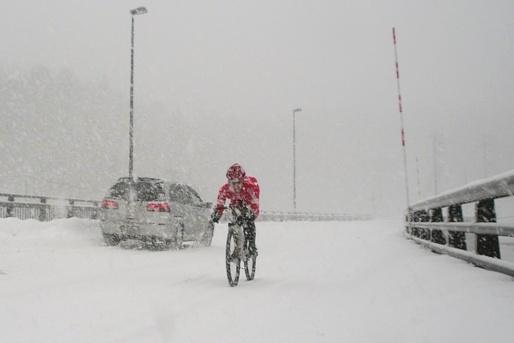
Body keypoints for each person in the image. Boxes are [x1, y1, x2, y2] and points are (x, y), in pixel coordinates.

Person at [211, 163, 260, 263]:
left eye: (238, 183)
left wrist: (250, 214)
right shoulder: (225, 189)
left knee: (249, 221)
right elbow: (220, 202)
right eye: (232, 183)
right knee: (236, 220)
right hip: (236, 202)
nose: (235, 186)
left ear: (242, 181)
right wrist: (217, 214)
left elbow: (254, 206)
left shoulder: (250, 187)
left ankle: (251, 247)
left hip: (249, 202)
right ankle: (237, 249)